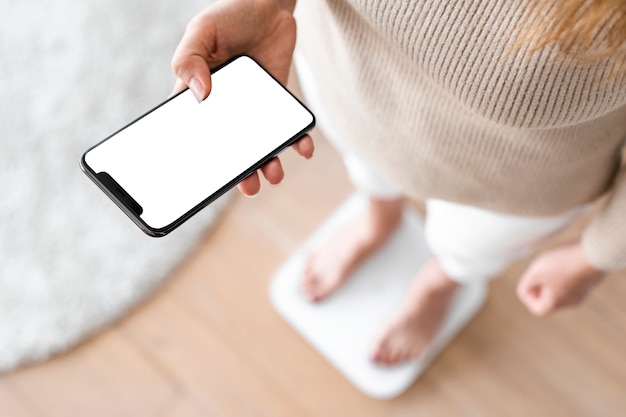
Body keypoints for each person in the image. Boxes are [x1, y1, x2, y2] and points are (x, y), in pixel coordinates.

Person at [171, 0, 626, 366]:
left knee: (467, 247)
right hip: (351, 91)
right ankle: (377, 220)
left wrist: (599, 254)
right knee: (367, 170)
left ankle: (440, 284)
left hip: (516, 184)